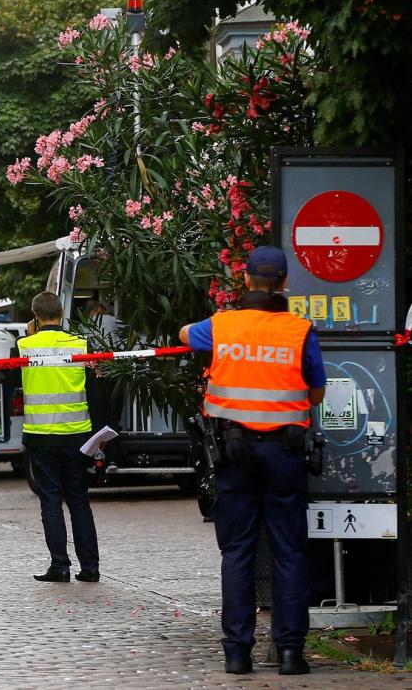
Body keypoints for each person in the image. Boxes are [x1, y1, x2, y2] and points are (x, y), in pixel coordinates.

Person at [178, 245, 326, 676]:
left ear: (245, 281)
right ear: (283, 283)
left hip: (234, 452)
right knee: (289, 550)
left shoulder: (222, 326)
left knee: (238, 551)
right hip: (285, 452)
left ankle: (237, 653)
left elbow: (186, 334)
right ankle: (290, 653)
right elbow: (316, 392)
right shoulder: (300, 331)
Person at [17, 291, 100, 584]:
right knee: (79, 500)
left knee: (50, 501)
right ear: (62, 314)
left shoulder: (24, 345)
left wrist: (31, 334)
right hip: (77, 434)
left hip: (41, 435)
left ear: (35, 317)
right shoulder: (80, 344)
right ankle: (90, 568)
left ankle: (60, 566)